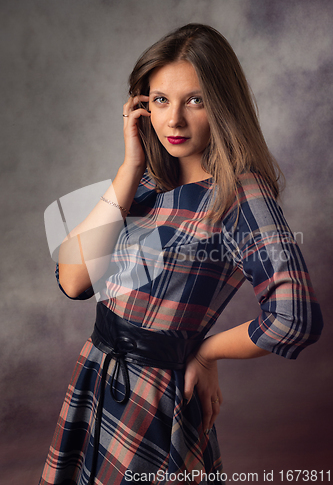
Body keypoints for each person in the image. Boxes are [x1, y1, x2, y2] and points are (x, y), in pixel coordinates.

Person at [39, 24, 323, 485]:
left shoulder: (240, 194)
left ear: (222, 105)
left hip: (153, 400)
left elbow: (296, 318)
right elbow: (73, 281)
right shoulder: (147, 180)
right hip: (95, 375)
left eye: (195, 100)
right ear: (141, 106)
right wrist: (129, 166)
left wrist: (206, 353)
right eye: (160, 100)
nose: (174, 121)